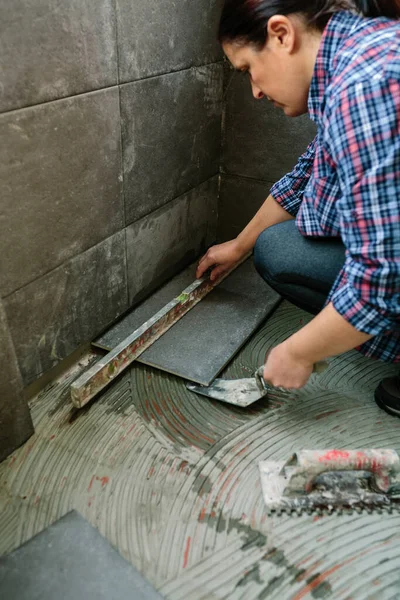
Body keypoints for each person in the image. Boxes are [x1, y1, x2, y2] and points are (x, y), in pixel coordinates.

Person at [196, 0, 400, 415]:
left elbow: (382, 278)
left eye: (247, 69)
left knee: (284, 254)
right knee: (274, 246)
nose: (253, 90)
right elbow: (306, 175)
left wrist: (298, 351)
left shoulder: (364, 86)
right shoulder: (358, 56)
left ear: (281, 34)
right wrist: (238, 246)